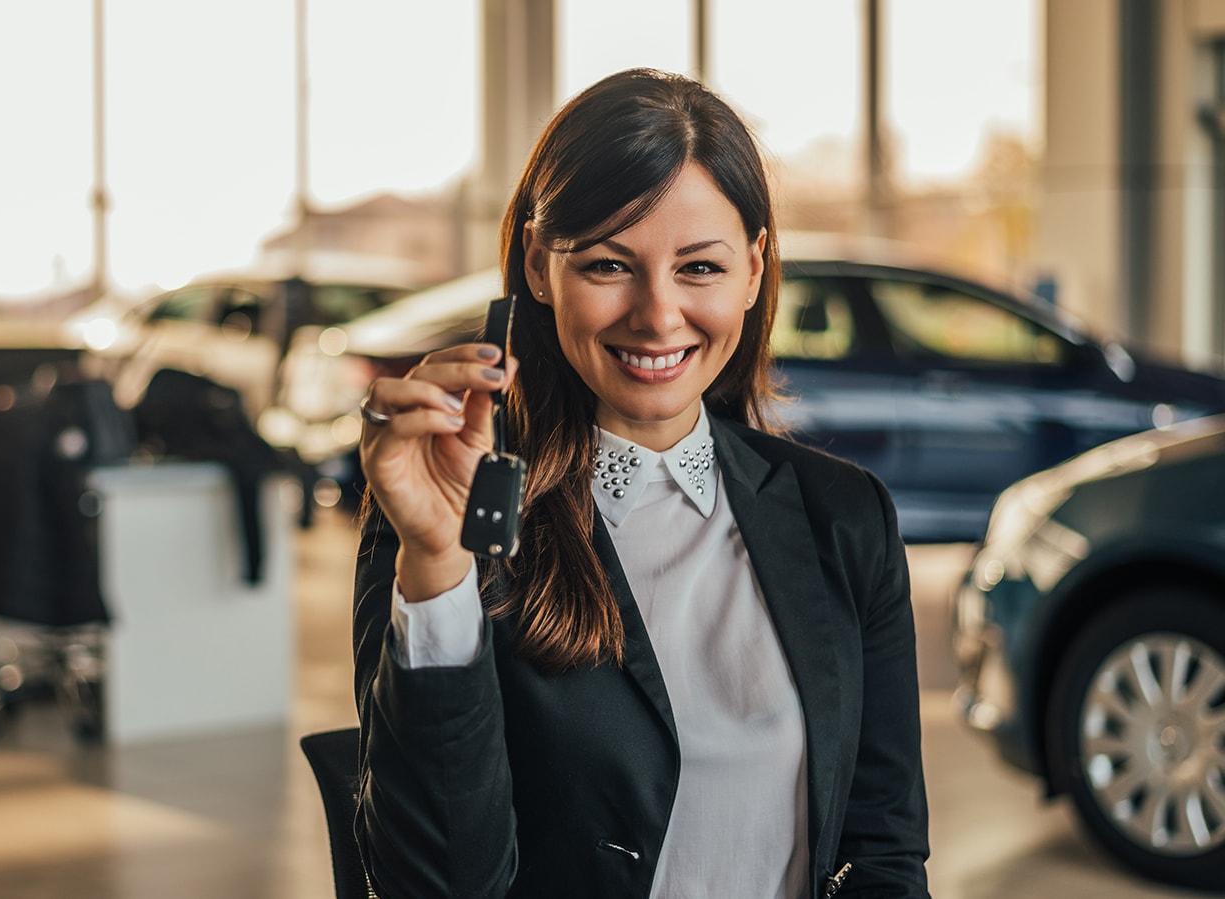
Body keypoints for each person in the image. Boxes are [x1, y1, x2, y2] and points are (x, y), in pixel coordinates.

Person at [351, 68, 929, 899]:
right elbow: (438, 884)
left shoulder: (845, 517)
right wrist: (441, 566)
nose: (658, 315)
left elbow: (885, 850)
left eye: (699, 268)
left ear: (756, 268)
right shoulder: (458, 518)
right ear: (539, 268)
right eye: (608, 265)